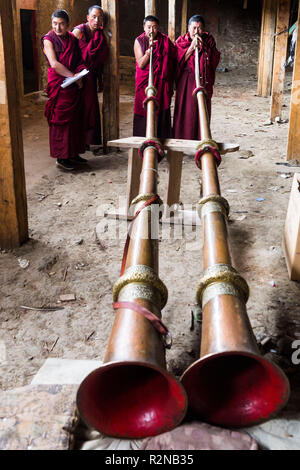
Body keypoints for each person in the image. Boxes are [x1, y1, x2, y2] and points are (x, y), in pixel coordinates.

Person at [41, 9, 87, 171]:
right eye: (54, 23)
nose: (57, 27)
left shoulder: (72, 39)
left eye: (61, 24)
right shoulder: (48, 40)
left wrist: (80, 74)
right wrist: (73, 76)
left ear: (67, 25)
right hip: (59, 84)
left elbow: (79, 59)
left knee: (75, 120)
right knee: (61, 121)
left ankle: (73, 153)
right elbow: (53, 63)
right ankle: (62, 157)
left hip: (72, 85)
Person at [173, 15, 220, 140]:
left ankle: (201, 139)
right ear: (188, 28)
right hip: (186, 82)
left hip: (203, 80)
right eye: (194, 28)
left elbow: (214, 58)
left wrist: (203, 47)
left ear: (203, 29)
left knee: (202, 110)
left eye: (199, 28)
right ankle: (183, 140)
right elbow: (177, 62)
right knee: (186, 111)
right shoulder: (181, 41)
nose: (196, 31)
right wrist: (191, 47)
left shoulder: (209, 40)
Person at [73, 5, 108, 150]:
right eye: (94, 16)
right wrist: (73, 76)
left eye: (100, 17)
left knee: (90, 109)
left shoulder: (100, 33)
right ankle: (78, 141)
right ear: (87, 18)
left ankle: (86, 141)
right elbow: (69, 54)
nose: (97, 20)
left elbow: (101, 56)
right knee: (78, 109)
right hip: (77, 76)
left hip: (91, 77)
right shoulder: (79, 31)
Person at [133, 15, 175, 139]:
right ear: (144, 27)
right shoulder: (139, 41)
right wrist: (148, 53)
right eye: (149, 27)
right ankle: (142, 139)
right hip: (145, 83)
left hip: (161, 82)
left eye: (155, 27)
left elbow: (173, 61)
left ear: (158, 28)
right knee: (144, 108)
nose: (151, 31)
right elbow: (140, 64)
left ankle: (162, 139)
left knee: (161, 107)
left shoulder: (165, 40)